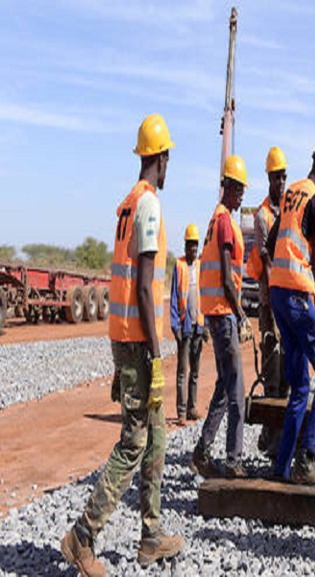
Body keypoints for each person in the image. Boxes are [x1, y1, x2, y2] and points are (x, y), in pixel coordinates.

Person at [61, 114, 184, 575]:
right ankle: (81, 536)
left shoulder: (126, 206)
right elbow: (146, 281)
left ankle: (151, 536)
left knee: (156, 436)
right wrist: (156, 354)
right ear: (162, 158)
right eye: (168, 158)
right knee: (133, 441)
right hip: (137, 342)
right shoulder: (148, 205)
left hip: (124, 337)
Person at [266, 139, 315, 485]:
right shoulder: (314, 199)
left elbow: (270, 244)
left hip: (279, 295)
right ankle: (307, 458)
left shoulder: (290, 192)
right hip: (297, 295)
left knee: (299, 387)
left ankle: (281, 467)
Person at [191, 154, 251, 479]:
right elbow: (227, 278)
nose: (241, 195)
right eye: (237, 188)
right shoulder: (225, 221)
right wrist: (242, 315)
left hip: (215, 313)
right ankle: (233, 460)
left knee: (224, 384)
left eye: (243, 189)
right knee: (237, 389)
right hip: (223, 313)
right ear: (225, 186)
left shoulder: (215, 219)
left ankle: (202, 451)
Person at [246, 146, 289, 459]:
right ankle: (272, 438)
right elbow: (269, 262)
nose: (282, 182)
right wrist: (277, 305)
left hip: (286, 301)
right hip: (269, 303)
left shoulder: (287, 211)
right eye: (277, 177)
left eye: (284, 176)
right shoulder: (263, 217)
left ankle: (272, 433)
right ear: (269, 179)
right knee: (273, 371)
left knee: (286, 370)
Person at [170, 223, 205, 426]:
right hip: (184, 326)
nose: (192, 248)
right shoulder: (179, 265)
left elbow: (204, 296)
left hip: (198, 325)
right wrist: (175, 325)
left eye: (195, 245)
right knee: (182, 371)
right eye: (189, 244)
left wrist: (205, 325)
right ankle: (181, 412)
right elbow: (175, 296)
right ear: (185, 246)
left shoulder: (200, 266)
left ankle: (192, 408)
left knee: (195, 371)